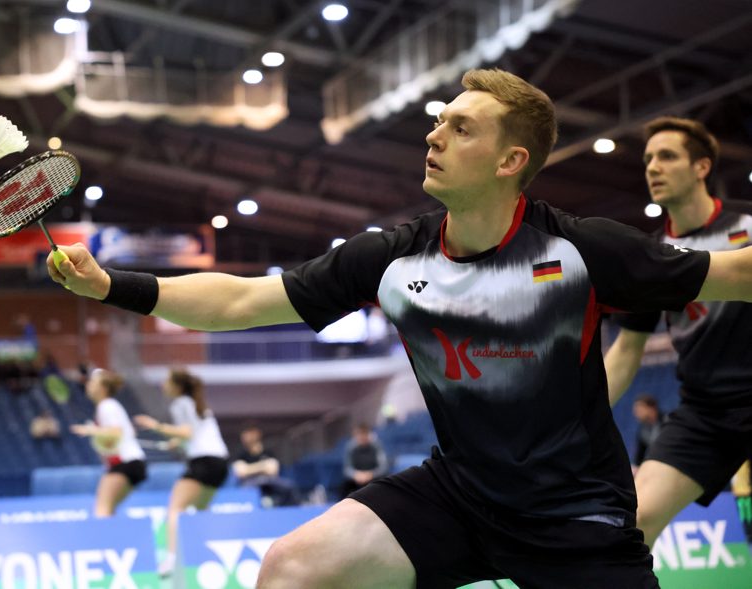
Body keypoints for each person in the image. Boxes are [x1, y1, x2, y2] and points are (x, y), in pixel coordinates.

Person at [46, 68, 752, 588]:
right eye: (439, 120)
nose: (434, 132)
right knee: (290, 568)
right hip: (458, 494)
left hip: (574, 516)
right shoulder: (392, 256)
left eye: (460, 127)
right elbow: (238, 302)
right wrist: (113, 284)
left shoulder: (582, 250)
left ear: (511, 162)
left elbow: (735, 275)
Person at [604, 116, 752, 548]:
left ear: (702, 166)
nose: (652, 167)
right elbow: (626, 351)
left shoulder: (749, 224)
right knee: (631, 525)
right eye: (648, 159)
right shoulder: (651, 258)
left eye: (667, 156)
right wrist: (580, 418)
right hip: (706, 412)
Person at [134, 368, 229, 577]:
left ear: (177, 386)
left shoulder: (180, 403)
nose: (163, 385)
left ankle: (171, 559)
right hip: (220, 463)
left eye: (167, 381)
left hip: (203, 461)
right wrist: (176, 442)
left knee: (175, 508)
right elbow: (195, 432)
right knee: (201, 509)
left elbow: (187, 431)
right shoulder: (198, 404)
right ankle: (205, 555)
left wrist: (155, 425)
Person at [70, 368, 147, 517]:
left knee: (102, 510)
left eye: (92, 383)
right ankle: (117, 540)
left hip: (125, 463)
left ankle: (104, 540)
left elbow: (115, 433)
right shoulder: (110, 405)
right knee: (109, 510)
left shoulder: (107, 405)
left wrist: (90, 430)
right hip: (134, 463)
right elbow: (127, 432)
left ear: (103, 388)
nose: (88, 385)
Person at [232, 424, 299, 507]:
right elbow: (240, 472)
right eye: (243, 434)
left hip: (270, 483)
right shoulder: (242, 455)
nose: (244, 436)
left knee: (288, 486)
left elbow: (273, 470)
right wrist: (263, 466)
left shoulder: (268, 452)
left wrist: (249, 468)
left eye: (247, 433)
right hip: (250, 484)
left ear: (256, 434)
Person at [341, 423, 389, 498]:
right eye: (358, 434)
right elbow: (347, 468)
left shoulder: (377, 446)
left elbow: (383, 467)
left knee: (383, 482)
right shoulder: (350, 447)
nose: (361, 437)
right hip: (357, 478)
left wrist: (371, 474)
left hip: (373, 477)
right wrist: (355, 474)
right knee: (345, 486)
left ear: (368, 434)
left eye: (364, 434)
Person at [631, 394, 664, 471]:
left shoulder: (668, 421)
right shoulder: (643, 429)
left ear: (651, 408)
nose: (636, 413)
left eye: (639, 410)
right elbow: (639, 455)